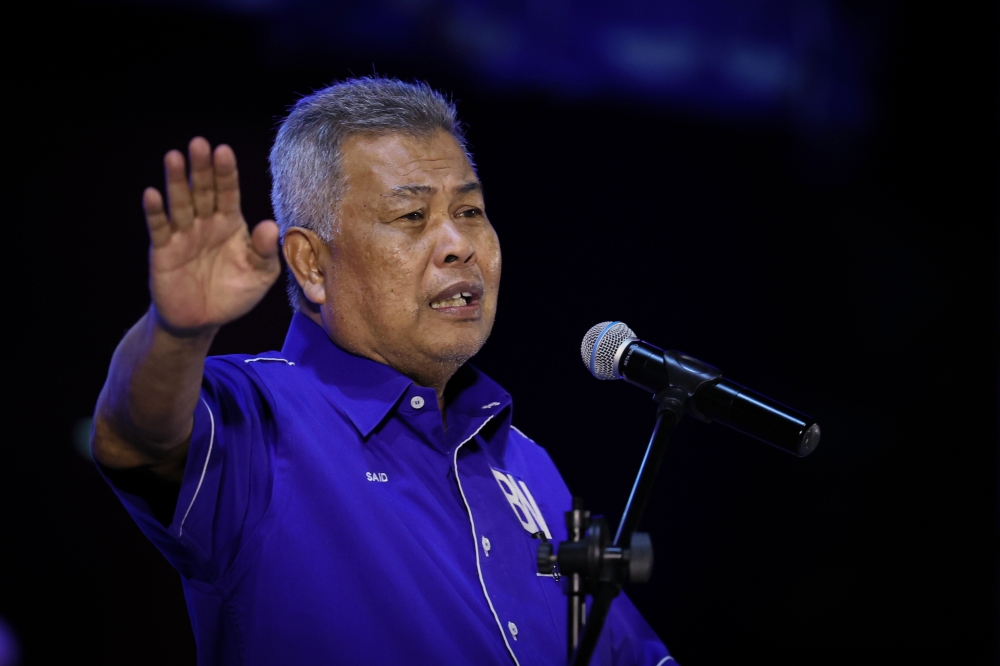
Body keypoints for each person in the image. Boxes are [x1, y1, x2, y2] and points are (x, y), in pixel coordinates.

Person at [92, 77, 674, 665]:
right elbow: (136, 436)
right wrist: (177, 334)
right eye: (412, 215)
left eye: (470, 210)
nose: (458, 245)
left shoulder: (527, 463)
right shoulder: (257, 417)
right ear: (311, 264)